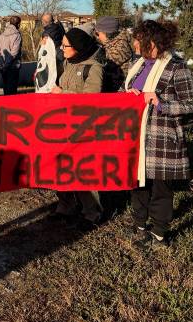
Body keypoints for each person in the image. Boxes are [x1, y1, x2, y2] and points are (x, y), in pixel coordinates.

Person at [124, 20, 193, 249]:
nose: (134, 43)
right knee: (138, 184)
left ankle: (158, 232)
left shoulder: (177, 67)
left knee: (160, 189)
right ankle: (139, 224)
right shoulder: (138, 65)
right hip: (137, 137)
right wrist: (128, 94)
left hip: (162, 140)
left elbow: (191, 104)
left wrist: (161, 102)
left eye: (138, 39)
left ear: (152, 42)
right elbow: (124, 92)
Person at [48, 28, 104, 230]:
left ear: (78, 47)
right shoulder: (66, 63)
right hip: (62, 124)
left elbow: (92, 99)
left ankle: (92, 212)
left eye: (66, 45)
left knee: (83, 169)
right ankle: (65, 205)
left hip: (82, 127)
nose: (62, 49)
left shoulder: (94, 67)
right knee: (60, 166)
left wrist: (64, 94)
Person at [94, 16, 133, 92]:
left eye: (97, 33)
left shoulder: (120, 46)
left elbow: (103, 68)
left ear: (107, 33)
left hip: (117, 90)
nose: (97, 37)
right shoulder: (111, 43)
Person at [0, 15, 22, 95]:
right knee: (12, 90)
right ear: (18, 24)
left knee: (5, 88)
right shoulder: (17, 35)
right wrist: (6, 65)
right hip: (13, 66)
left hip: (3, 66)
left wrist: (0, 63)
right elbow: (14, 53)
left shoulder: (2, 35)